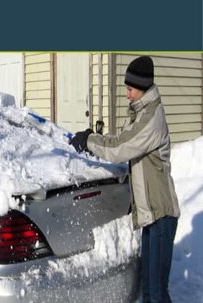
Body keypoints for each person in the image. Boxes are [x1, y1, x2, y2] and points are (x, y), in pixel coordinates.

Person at [69, 56, 180, 303]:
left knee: (157, 292)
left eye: (129, 89)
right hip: (152, 214)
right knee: (149, 289)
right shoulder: (143, 113)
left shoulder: (151, 118)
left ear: (141, 88)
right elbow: (125, 140)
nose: (127, 95)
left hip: (161, 214)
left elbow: (121, 146)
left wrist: (89, 141)